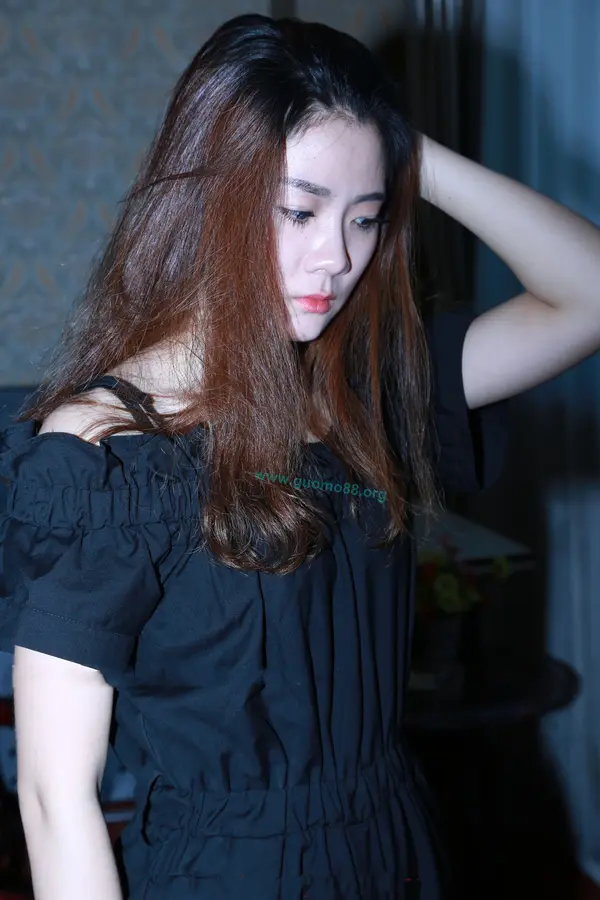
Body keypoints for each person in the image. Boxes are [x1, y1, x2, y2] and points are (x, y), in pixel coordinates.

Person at [0, 12, 599, 900]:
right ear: (210, 195)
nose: (338, 257)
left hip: (397, 850)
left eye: (366, 216)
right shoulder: (106, 450)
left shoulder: (365, 390)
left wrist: (403, 150)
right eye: (300, 210)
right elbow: (56, 799)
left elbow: (586, 295)